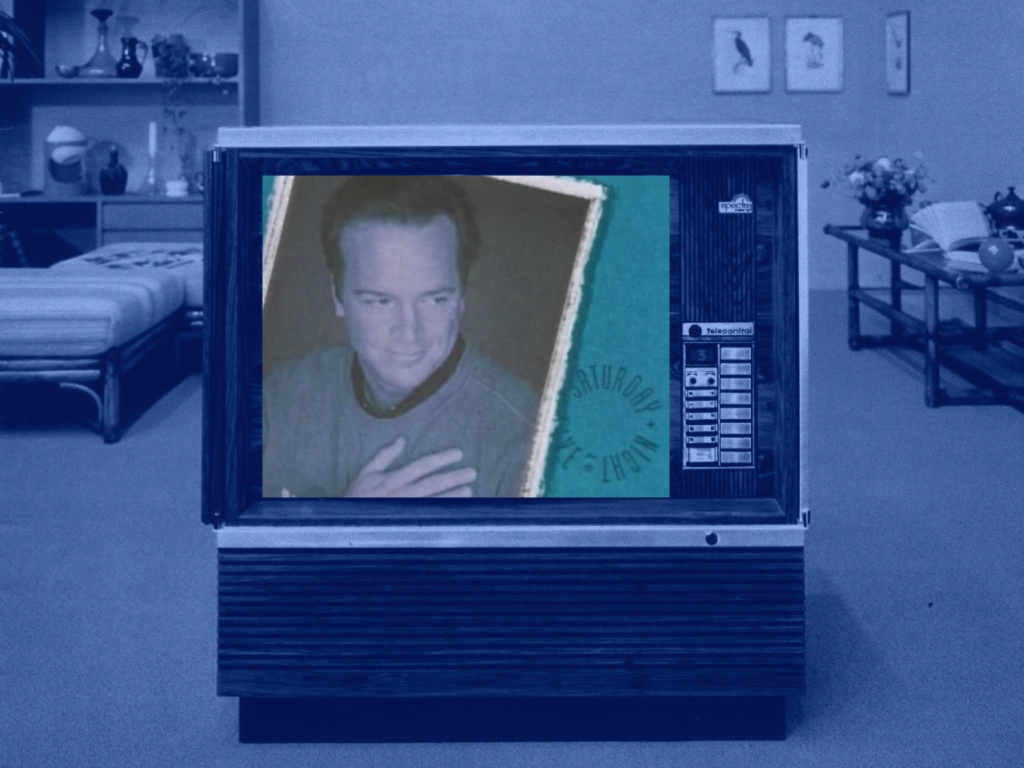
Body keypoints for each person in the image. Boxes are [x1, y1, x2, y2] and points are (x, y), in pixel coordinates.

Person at [262, 176, 539, 498]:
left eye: (435, 299)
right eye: (380, 301)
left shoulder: (530, 438)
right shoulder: (276, 400)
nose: (410, 332)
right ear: (337, 296)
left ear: (462, 294)